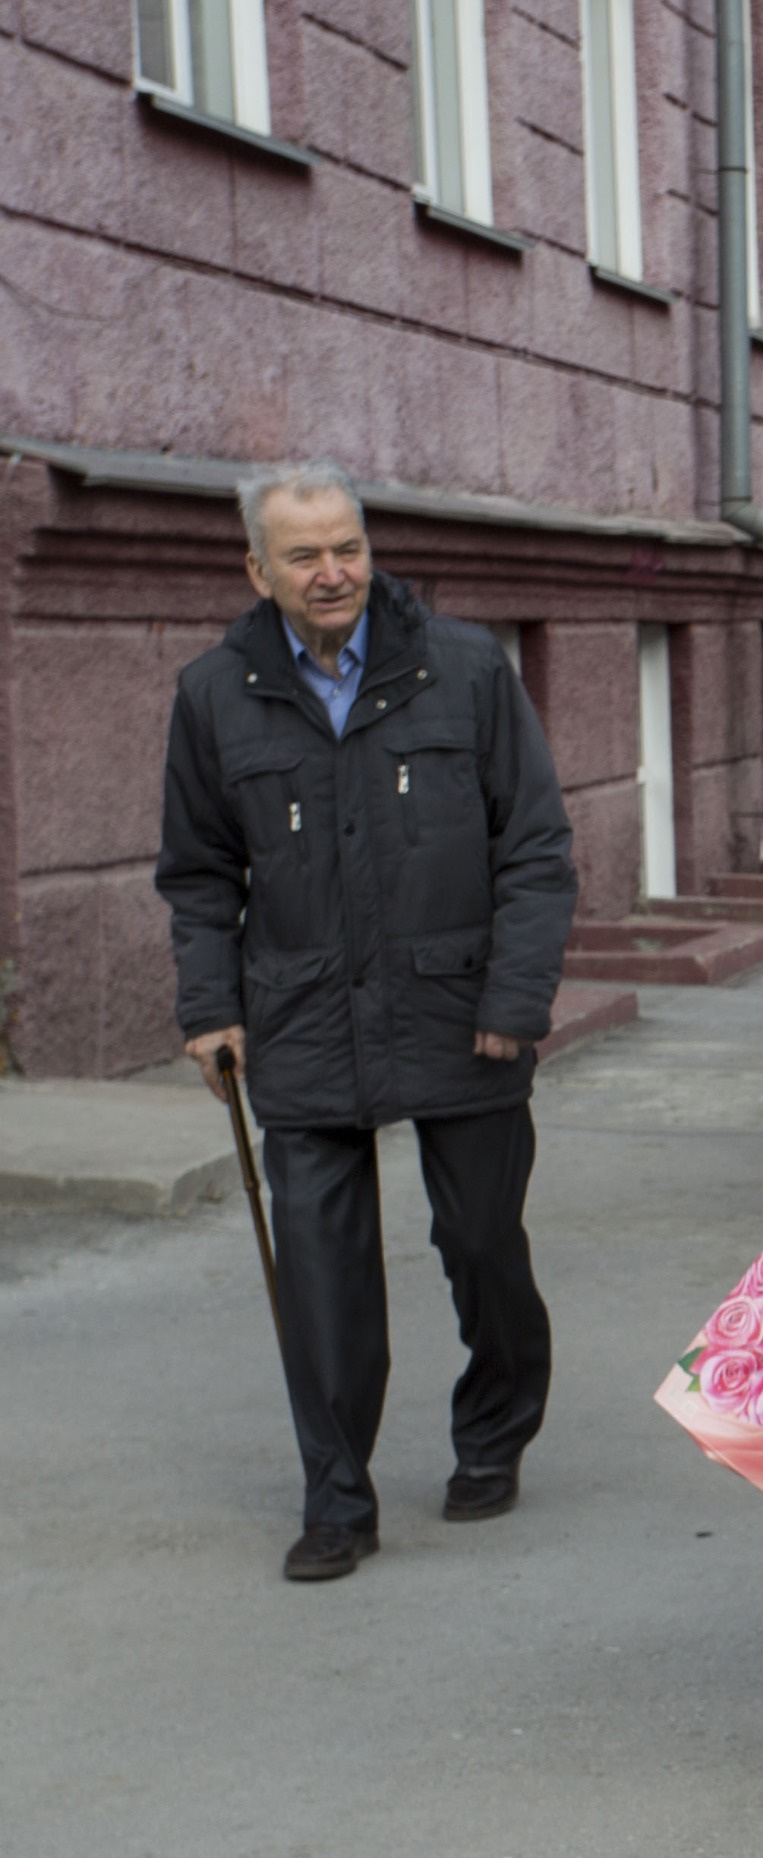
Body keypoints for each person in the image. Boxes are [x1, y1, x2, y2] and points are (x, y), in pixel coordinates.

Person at [157, 459, 577, 1583]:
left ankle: (496, 1427)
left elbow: (532, 847)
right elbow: (199, 873)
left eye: (348, 545)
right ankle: (336, 1495)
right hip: (299, 1014)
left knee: (483, 1244)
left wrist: (514, 999)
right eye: (305, 554)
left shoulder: (468, 667)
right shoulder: (213, 694)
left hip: (461, 1008)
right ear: (259, 567)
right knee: (324, 1273)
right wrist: (210, 1009)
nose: (334, 570)